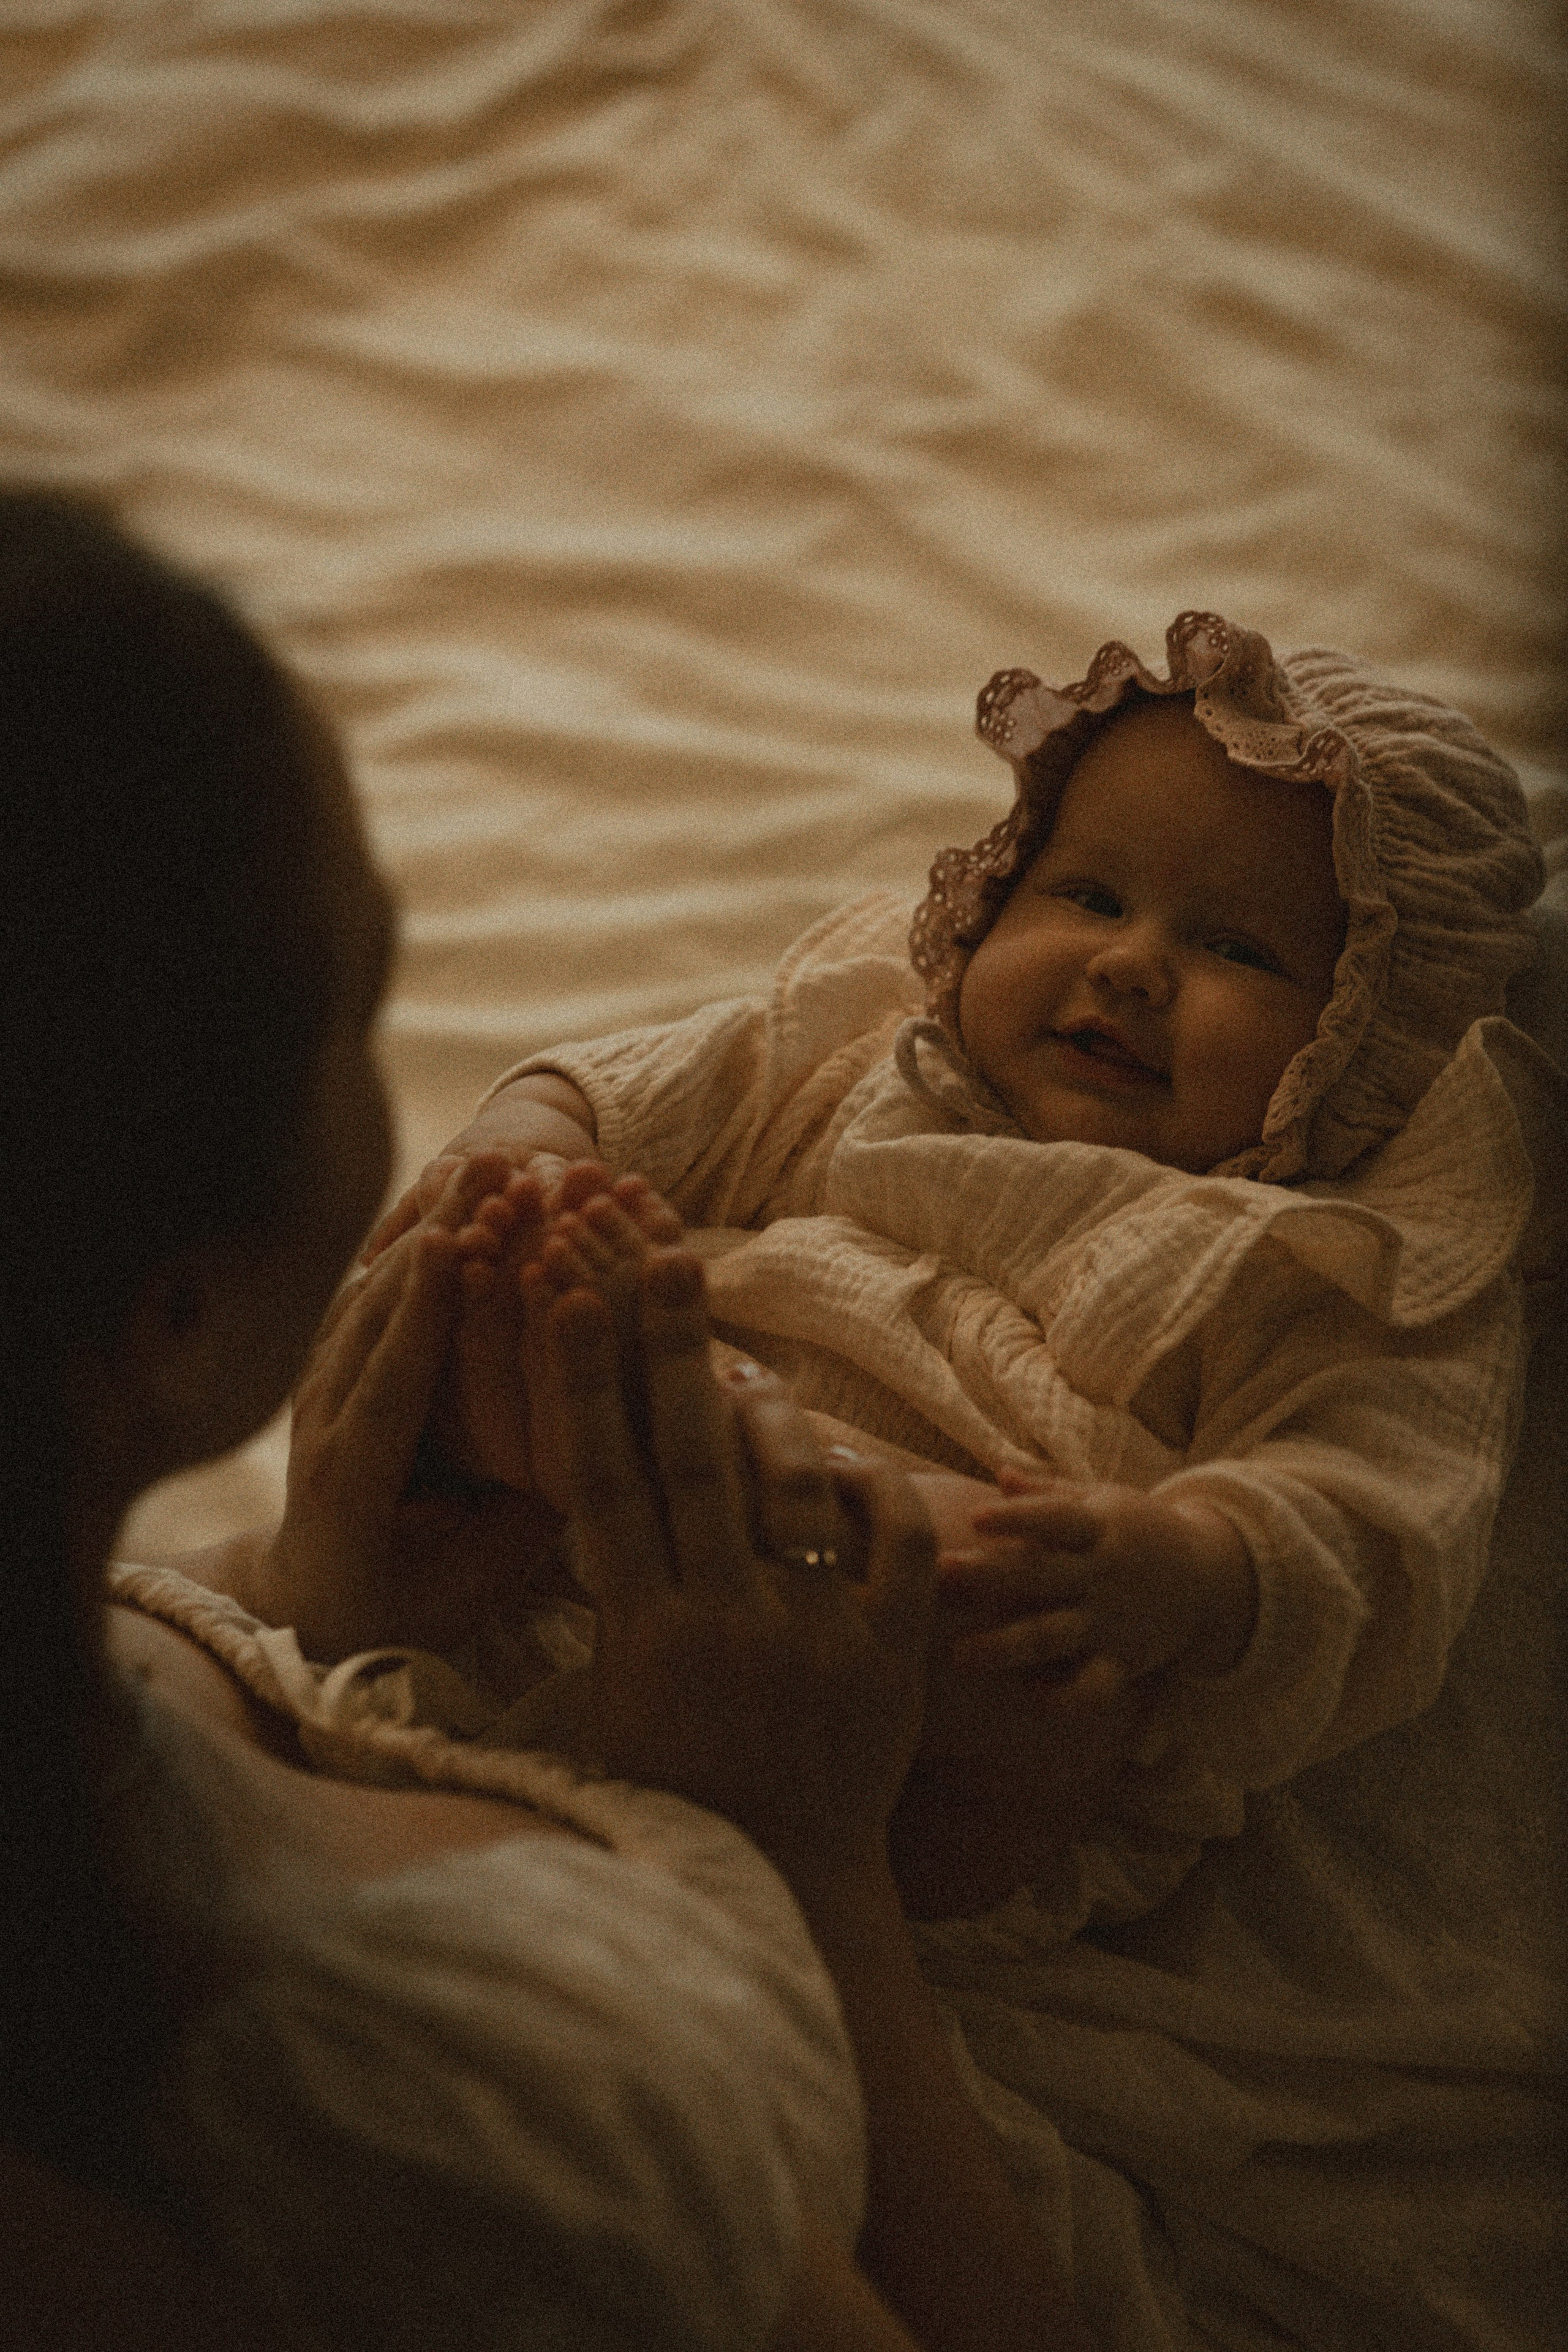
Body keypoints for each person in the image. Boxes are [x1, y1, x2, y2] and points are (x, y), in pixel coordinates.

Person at [0, 488, 1092, 2351]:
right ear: (170, 1319)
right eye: (363, 1002)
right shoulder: (485, 2141)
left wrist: (298, 1599)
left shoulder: (94, 1666)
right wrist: (807, 1851)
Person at [377, 611, 1556, 1936]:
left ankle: (796, 1855)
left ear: (1378, 1040)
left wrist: (1188, 1564)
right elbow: (648, 1087)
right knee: (483, 1293)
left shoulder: (1335, 1263)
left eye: (1236, 952)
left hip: (924, 1659)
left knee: (1032, 1668)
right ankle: (631, 1459)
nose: (1129, 964)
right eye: (1090, 895)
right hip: (616, 1488)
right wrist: (531, 1146)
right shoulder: (876, 1050)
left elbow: (1382, 1526)